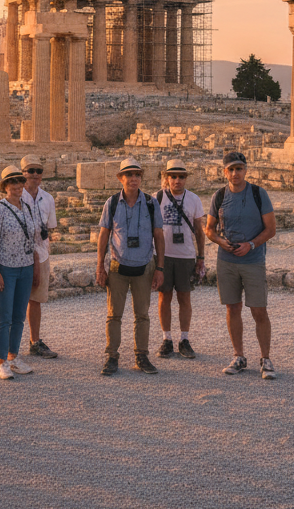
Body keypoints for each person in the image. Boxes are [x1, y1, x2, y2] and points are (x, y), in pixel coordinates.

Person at [203, 151, 277, 379]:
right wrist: (220, 241)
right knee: (232, 308)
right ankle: (239, 355)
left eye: (239, 169)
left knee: (258, 310)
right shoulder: (219, 196)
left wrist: (251, 245)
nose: (235, 173)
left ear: (246, 170)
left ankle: (265, 358)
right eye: (231, 169)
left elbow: (271, 229)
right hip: (227, 260)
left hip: (253, 260)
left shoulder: (258, 193)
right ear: (224, 172)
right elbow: (209, 229)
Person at [95, 158, 164, 377]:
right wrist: (100, 266)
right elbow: (104, 235)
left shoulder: (151, 203)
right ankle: (111, 356)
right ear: (120, 178)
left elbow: (159, 236)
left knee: (142, 315)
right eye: (129, 174)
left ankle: (141, 356)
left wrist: (160, 268)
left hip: (144, 266)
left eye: (137, 174)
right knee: (114, 315)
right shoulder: (112, 203)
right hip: (117, 266)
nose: (134, 178)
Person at [0, 165, 38, 381]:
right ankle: (1, 362)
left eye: (19, 182)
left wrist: (34, 267)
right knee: (4, 316)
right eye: (12, 183)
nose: (17, 186)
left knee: (18, 316)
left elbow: (32, 239)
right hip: (6, 268)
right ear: (5, 186)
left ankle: (13, 356)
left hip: (26, 266)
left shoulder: (27, 206)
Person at [154, 159, 205, 360]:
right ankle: (166, 339)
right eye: (173, 176)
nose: (177, 180)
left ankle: (184, 339)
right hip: (163, 257)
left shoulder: (194, 199)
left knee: (184, 298)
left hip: (185, 255)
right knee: (163, 297)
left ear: (186, 179)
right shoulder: (156, 198)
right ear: (167, 178)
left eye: (181, 176)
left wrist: (201, 257)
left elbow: (199, 232)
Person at [19, 155, 59, 359]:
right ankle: (10, 346)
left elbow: (50, 228)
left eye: (38, 171)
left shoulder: (48, 198)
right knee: (16, 300)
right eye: (30, 170)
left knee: (36, 300)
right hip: (19, 255)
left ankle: (35, 341)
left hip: (42, 255)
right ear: (23, 173)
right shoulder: (15, 197)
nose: (35, 174)